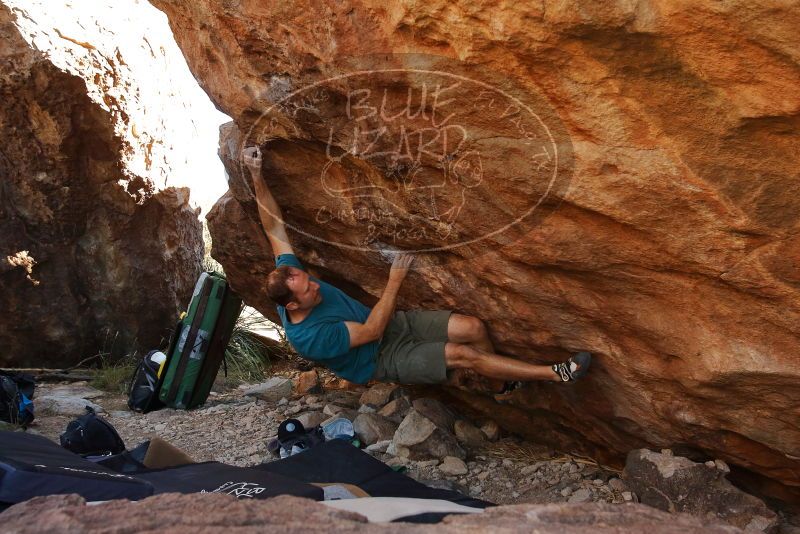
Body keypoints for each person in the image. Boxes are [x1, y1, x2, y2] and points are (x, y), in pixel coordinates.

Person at [242, 146, 591, 395]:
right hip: (381, 356)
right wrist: (395, 279)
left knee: (472, 327)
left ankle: (499, 384)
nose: (315, 287)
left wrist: (257, 175)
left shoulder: (288, 278)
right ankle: (556, 373)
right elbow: (373, 331)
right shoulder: (311, 338)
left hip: (394, 325)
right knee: (462, 354)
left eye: (308, 281)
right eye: (307, 291)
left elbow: (274, 228)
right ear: (292, 306)